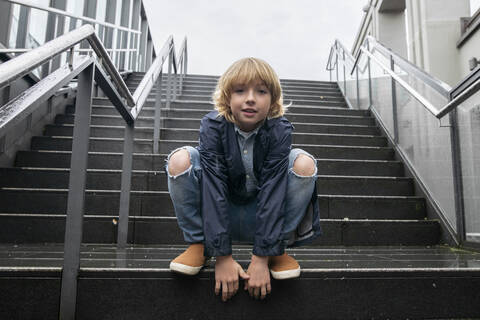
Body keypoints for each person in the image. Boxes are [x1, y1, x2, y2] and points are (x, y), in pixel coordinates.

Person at [165, 57, 321, 302]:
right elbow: (213, 185)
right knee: (181, 159)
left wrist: (261, 257)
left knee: (303, 163)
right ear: (228, 97)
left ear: (272, 101)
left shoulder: (279, 130)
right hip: (219, 214)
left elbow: (273, 189)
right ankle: (199, 244)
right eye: (240, 91)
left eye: (261, 91)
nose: (250, 98)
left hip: (264, 217)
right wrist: (222, 256)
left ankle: (275, 249)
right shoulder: (212, 126)